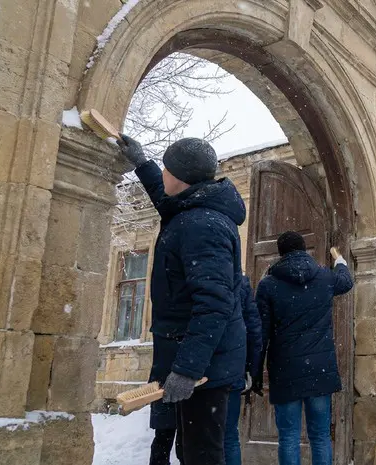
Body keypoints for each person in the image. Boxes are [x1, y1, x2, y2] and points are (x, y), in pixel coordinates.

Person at [117, 135, 248, 465]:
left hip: (204, 367)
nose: (162, 173)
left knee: (200, 454)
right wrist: (142, 163)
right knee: (188, 450)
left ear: (180, 176)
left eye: (165, 168)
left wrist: (188, 370)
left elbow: (215, 303)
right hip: (193, 356)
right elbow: (166, 200)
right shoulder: (194, 209)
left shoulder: (203, 224)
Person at [255, 231, 354, 465]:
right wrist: (340, 262)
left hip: (285, 370)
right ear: (304, 249)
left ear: (280, 253)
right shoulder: (324, 277)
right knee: (320, 436)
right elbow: (346, 281)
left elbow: (261, 334)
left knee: (288, 437)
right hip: (320, 370)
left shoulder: (268, 285)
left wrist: (255, 371)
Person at [225, 275, 264, 465]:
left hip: (199, 371)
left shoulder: (194, 276)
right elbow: (254, 329)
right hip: (231, 369)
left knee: (197, 435)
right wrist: (251, 369)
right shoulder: (239, 283)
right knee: (229, 435)